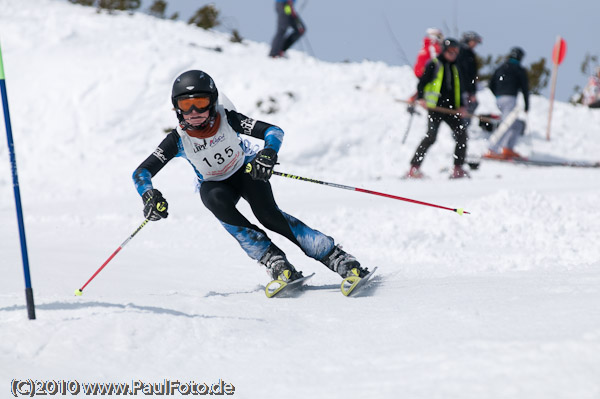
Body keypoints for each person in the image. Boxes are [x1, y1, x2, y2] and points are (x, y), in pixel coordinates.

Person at [132, 70, 369, 285]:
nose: (193, 112)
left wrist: (267, 153)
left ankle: (336, 256)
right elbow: (141, 172)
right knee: (213, 199)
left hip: (246, 172)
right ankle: (274, 260)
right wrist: (148, 194)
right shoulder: (177, 139)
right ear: (177, 108)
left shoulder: (228, 118)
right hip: (215, 185)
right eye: (186, 105)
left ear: (213, 102)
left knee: (269, 216)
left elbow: (273, 131)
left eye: (200, 103)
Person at [405, 38, 469, 179]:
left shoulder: (456, 67)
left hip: (452, 110)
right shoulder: (435, 64)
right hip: (435, 108)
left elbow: (459, 89)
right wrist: (421, 98)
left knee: (462, 135)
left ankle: (458, 168)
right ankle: (414, 168)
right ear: (445, 50)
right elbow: (422, 83)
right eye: (451, 51)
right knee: (431, 136)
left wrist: (462, 107)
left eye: (456, 52)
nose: (454, 54)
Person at [483, 47, 530, 159]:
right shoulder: (519, 69)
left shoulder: (501, 67)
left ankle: (507, 148)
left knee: (516, 125)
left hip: (499, 99)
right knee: (507, 124)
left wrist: (498, 95)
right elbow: (525, 88)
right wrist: (527, 105)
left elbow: (491, 84)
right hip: (510, 99)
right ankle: (491, 148)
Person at [456, 31, 482, 129]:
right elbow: (467, 73)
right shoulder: (465, 52)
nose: (475, 44)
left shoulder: (464, 52)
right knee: (468, 106)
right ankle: (461, 128)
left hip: (463, 86)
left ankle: (462, 128)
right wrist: (471, 91)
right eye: (474, 41)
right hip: (463, 87)